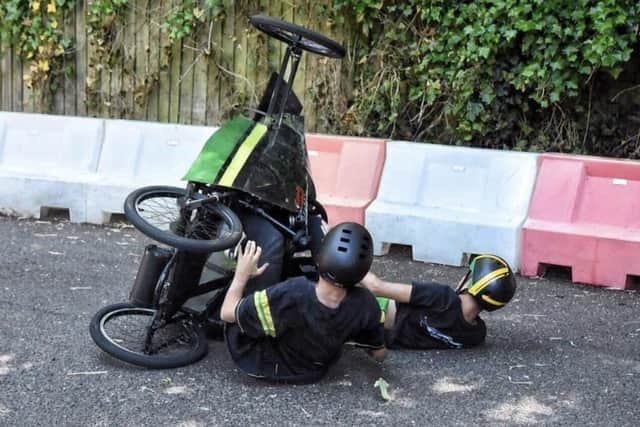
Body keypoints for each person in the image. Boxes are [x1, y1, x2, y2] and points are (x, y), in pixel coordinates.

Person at [220, 222, 386, 383]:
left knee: (248, 300)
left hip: (264, 362)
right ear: (362, 273)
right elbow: (380, 354)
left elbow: (226, 313)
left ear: (319, 258)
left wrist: (241, 275)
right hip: (315, 370)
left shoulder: (293, 292)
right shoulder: (366, 304)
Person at [360, 254, 517, 350]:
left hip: (368, 310)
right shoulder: (475, 335)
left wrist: (350, 263)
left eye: (469, 275)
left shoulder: (442, 297)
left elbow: (376, 287)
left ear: (471, 283)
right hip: (375, 340)